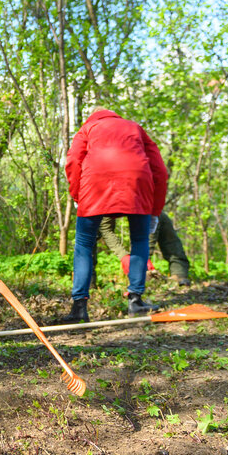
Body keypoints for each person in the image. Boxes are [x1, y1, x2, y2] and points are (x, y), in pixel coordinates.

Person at [63, 107, 168, 323]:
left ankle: (79, 308)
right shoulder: (135, 128)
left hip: (95, 187)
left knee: (83, 245)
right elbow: (160, 170)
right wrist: (154, 212)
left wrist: (77, 197)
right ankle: (136, 301)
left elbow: (73, 161)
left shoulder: (88, 128)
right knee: (139, 240)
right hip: (137, 185)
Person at [98, 212, 190, 286]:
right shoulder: (108, 199)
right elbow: (106, 229)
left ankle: (179, 273)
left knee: (161, 218)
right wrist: (123, 256)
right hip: (98, 211)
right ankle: (89, 285)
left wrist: (144, 256)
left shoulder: (141, 196)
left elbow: (151, 219)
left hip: (146, 210)